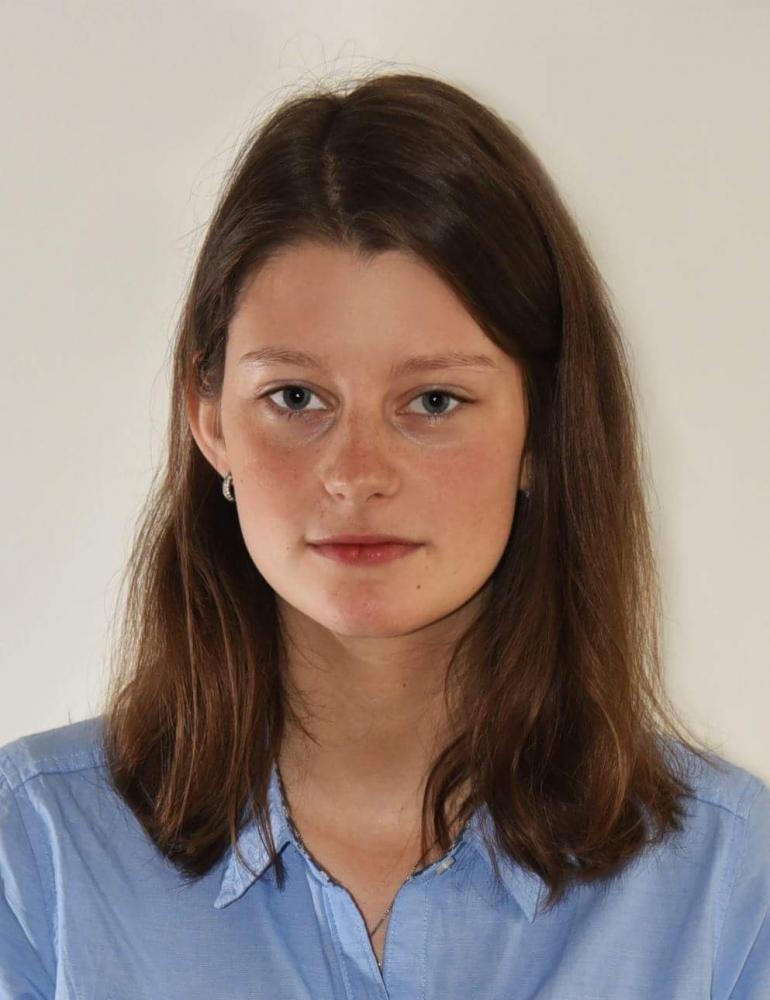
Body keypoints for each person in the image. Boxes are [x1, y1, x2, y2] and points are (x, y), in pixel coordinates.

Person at [1, 70, 768, 999]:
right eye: (296, 397)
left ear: (543, 427)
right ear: (209, 420)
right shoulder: (32, 859)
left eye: (433, 401)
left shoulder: (730, 888)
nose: (357, 472)